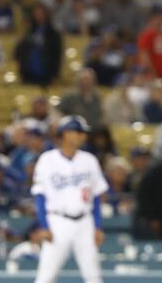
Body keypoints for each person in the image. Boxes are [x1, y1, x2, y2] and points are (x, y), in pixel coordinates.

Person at [31, 115, 108, 283]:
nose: (83, 136)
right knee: (45, 277)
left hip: (85, 222)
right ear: (64, 134)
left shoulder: (89, 160)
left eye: (83, 132)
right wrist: (44, 226)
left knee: (94, 277)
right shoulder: (47, 160)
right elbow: (39, 196)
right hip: (58, 221)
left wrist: (97, 226)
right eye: (78, 131)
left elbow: (95, 196)